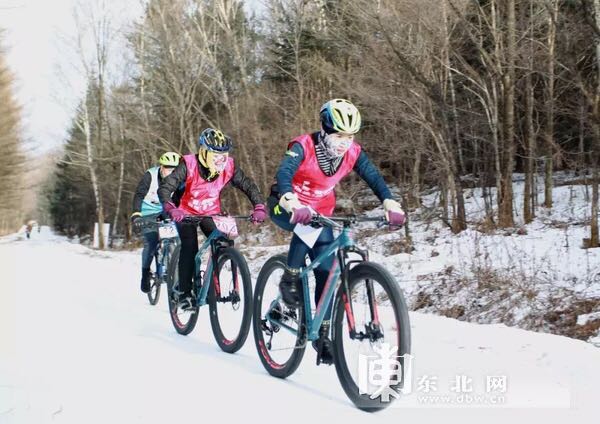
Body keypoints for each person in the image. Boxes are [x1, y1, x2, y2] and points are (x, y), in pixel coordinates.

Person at [268, 98, 406, 364]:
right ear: (325, 130)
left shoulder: (353, 152)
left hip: (321, 210)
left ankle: (322, 333)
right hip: (285, 205)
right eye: (339, 135)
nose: (345, 142)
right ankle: (289, 277)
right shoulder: (303, 146)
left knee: (326, 270)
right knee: (306, 227)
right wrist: (290, 198)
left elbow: (373, 176)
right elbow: (284, 173)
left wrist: (389, 201)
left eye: (350, 136)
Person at [158, 128, 267, 311]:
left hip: (210, 212)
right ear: (204, 152)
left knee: (223, 242)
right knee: (190, 245)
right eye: (216, 156)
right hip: (185, 212)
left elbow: (248, 185)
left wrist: (259, 206)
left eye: (224, 156)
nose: (221, 160)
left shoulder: (229, 167)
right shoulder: (188, 164)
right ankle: (184, 293)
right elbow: (166, 188)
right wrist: (170, 207)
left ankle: (212, 283)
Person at [131, 151, 183, 293]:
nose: (171, 172)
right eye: (167, 168)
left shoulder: (180, 178)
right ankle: (145, 274)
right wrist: (136, 214)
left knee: (180, 240)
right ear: (161, 167)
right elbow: (139, 195)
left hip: (168, 210)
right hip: (148, 213)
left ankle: (176, 270)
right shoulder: (150, 176)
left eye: (174, 169)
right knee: (151, 243)